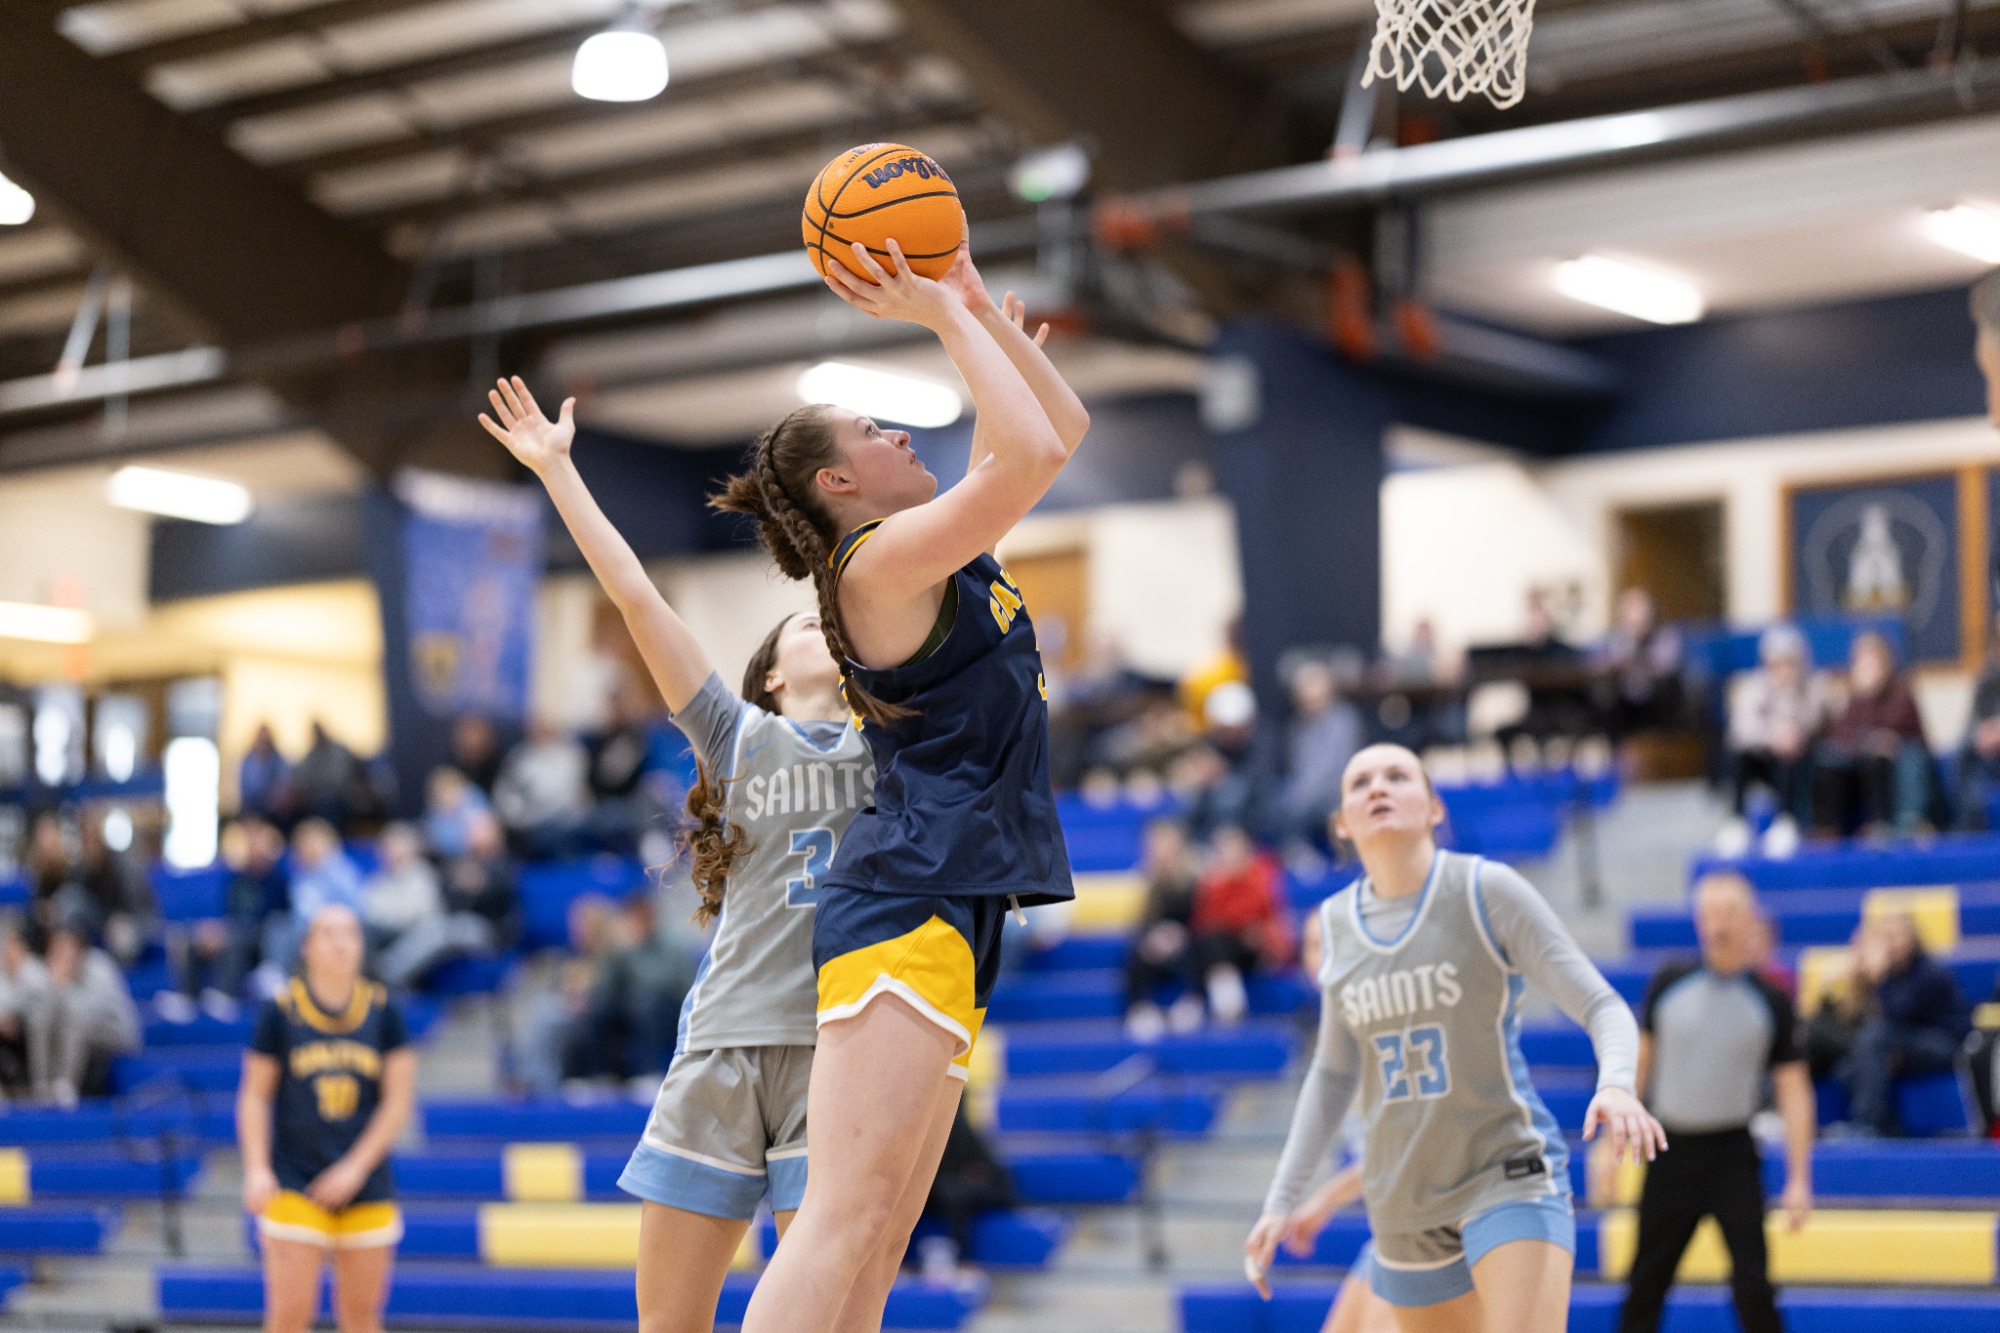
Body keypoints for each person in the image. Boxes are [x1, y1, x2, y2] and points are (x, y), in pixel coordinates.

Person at [703, 232, 1088, 1333]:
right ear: (837, 485)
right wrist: (946, 323)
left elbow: (1059, 432)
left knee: (879, 1232)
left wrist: (974, 307)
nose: (900, 431)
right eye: (875, 429)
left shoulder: (937, 547)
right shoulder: (872, 566)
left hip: (956, 891)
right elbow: (1024, 460)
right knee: (841, 1217)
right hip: (906, 891)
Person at [480, 376, 871, 1333]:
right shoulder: (736, 737)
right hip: (726, 1042)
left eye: (834, 615)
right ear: (773, 671)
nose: (827, 618)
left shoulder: (890, 741)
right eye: (805, 620)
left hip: (841, 1054)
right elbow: (634, 594)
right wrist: (560, 472)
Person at [1245, 744, 1663, 1332]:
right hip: (1401, 1203)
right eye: (1360, 782)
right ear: (1342, 822)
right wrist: (1281, 1200)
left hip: (1504, 1172)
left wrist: (1617, 1083)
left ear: (1434, 808)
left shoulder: (1485, 889)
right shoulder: (1335, 926)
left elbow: (1601, 1003)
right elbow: (1333, 1075)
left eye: (1397, 775)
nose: (1378, 787)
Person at [1616, 872, 1814, 1333]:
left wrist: (1800, 1178)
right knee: (1646, 1281)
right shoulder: (1669, 981)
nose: (1718, 925)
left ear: (1749, 922)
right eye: (1709, 914)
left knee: (1753, 1285)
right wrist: (1612, 1144)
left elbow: (1794, 1091)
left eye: (1728, 914)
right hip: (1670, 1151)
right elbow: (1638, 1066)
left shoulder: (1771, 1001)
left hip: (1733, 1155)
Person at [239, 905, 415, 1333]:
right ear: (307, 947)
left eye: (351, 933)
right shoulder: (280, 1012)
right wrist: (257, 1169)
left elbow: (398, 1102)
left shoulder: (384, 1011)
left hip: (365, 1179)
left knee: (361, 1319)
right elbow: (255, 1097)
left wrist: (354, 1168)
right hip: (295, 1176)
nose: (341, 943)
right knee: (288, 1318)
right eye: (330, 933)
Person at [1838, 912, 1969, 1136]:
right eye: (1886, 938)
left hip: (1946, 1043)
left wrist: (1877, 977)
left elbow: (1897, 1014)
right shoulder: (1892, 974)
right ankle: (1889, 1129)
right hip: (1908, 1043)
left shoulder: (1930, 973)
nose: (1892, 944)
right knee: (1851, 1068)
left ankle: (1870, 1124)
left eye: (1896, 936)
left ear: (1912, 937)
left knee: (1874, 1038)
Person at [1716, 625, 1830, 859]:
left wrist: (1789, 725)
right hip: (1764, 760)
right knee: (1738, 754)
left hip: (1800, 763)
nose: (1783, 671)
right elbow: (1741, 729)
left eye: (1789, 663)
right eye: (1776, 664)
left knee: (1790, 749)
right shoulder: (1754, 687)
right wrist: (1773, 735)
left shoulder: (1814, 685)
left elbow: (1812, 720)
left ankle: (1785, 822)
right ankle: (1736, 822)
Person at [165, 817, 290, 1021]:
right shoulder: (236, 878)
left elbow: (278, 917)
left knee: (232, 937)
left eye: (257, 841)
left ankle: (227, 995)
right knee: (189, 935)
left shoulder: (278, 878)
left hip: (262, 936)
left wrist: (228, 930)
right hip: (233, 927)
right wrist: (214, 930)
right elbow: (228, 911)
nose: (252, 846)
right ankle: (187, 997)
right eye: (248, 841)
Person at [376, 811, 515, 990]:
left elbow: (497, 896)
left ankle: (388, 974)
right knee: (433, 926)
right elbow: (449, 894)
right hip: (456, 921)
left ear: (495, 832)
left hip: (490, 930)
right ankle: (392, 971)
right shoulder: (463, 860)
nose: (472, 833)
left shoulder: (504, 863)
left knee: (439, 931)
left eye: (480, 828)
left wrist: (475, 885)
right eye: (471, 828)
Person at [1812, 632, 1931, 837]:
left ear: (1886, 665)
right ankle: (1829, 828)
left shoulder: (1902, 694)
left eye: (1872, 665)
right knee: (1829, 760)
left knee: (1876, 756)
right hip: (1859, 770)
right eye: (1861, 665)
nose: (1866, 671)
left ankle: (1881, 825)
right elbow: (1842, 733)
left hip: (1895, 768)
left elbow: (1897, 730)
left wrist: (1875, 737)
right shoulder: (1855, 700)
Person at [1188, 824, 1292, 1027]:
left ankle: (1201, 1001)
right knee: (1210, 940)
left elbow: (1263, 915)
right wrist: (1219, 883)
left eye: (1234, 847)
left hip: (1256, 948)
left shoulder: (1262, 874)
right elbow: (1205, 921)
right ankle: (1219, 999)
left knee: (1217, 940)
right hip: (1225, 946)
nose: (1230, 854)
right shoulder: (1213, 881)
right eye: (1224, 849)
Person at [1124, 819, 1206, 1042]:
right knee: (1134, 954)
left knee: (1203, 948)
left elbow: (1204, 917)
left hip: (1189, 941)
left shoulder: (1196, 875)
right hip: (1158, 944)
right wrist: (1155, 937)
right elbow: (1141, 922)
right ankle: (1139, 1008)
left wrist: (1180, 934)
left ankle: (1193, 1002)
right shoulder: (1145, 877)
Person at [41, 925, 141, 1104]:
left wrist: (60, 989)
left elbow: (92, 1011)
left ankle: (66, 1086)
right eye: (56, 951)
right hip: (85, 1036)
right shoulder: (55, 971)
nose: (60, 956)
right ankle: (42, 1085)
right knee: (40, 1024)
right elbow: (46, 1014)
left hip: (118, 1031)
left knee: (77, 1024)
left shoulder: (99, 966)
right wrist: (55, 989)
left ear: (78, 949)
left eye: (64, 949)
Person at [1278, 660, 1366, 851]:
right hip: (1305, 795)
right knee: (1277, 803)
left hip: (1337, 791)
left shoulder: (1345, 721)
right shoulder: (1297, 727)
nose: (1310, 700)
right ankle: (1300, 862)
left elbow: (1334, 767)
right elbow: (1297, 766)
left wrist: (1302, 795)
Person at [491, 718, 590, 859]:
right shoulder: (519, 755)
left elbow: (561, 799)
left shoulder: (570, 756)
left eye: (542, 727)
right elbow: (505, 790)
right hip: (520, 824)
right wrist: (513, 816)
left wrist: (531, 817)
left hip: (557, 823)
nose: (537, 732)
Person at [1593, 588, 1683, 744]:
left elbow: (1665, 666)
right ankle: (1616, 752)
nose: (1636, 615)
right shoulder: (1619, 636)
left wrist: (1640, 653)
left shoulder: (1665, 634)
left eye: (1640, 608)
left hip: (1656, 700)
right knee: (1605, 697)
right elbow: (1604, 663)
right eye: (1630, 610)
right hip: (1626, 702)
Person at [359, 824, 442, 957]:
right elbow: (370, 911)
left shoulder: (422, 873)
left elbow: (414, 914)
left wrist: (388, 916)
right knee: (364, 929)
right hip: (388, 936)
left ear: (409, 848)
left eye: (395, 844)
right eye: (386, 846)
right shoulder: (378, 878)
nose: (389, 850)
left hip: (418, 935)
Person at [1953, 615, 2000, 830]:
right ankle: (1970, 830)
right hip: (1991, 756)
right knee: (1964, 753)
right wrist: (1980, 735)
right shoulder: (1987, 680)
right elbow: (1970, 728)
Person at [239, 724, 293, 825]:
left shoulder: (278, 760)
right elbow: (243, 786)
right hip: (251, 806)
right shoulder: (248, 759)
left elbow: (282, 784)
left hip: (271, 808)